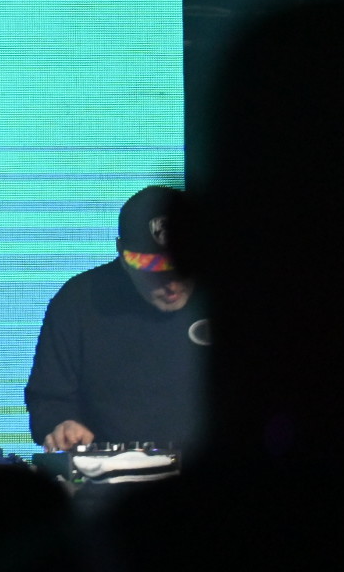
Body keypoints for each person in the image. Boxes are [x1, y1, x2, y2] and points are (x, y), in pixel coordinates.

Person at [25, 185, 208, 451]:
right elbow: (47, 399)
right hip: (112, 472)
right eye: (153, 271)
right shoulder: (79, 301)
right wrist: (62, 424)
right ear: (121, 253)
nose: (171, 285)